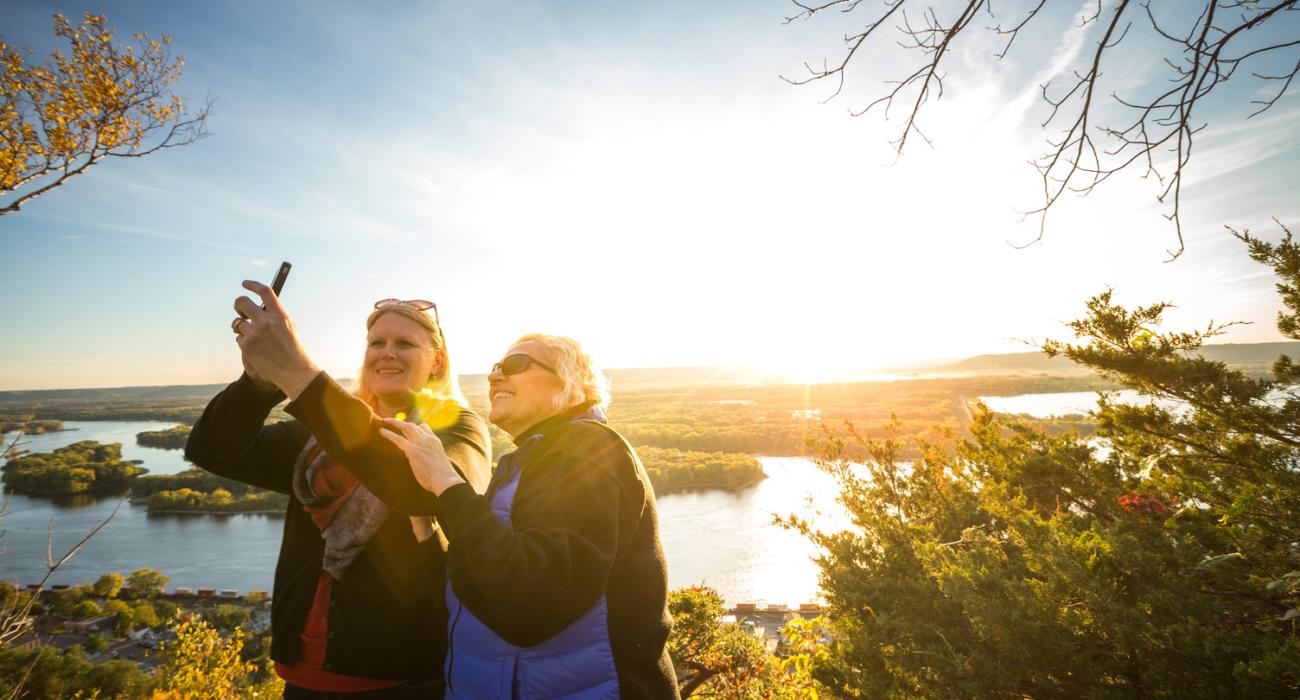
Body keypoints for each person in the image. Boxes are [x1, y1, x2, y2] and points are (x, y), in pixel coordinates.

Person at [234, 281, 680, 699]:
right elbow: (485, 582)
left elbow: (530, 605)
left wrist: (445, 486)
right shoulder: (527, 463)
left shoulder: (588, 450)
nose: (494, 376)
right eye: (494, 367)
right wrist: (433, 536)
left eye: (515, 365)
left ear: (572, 383)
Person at [186, 288, 490, 698]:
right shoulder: (317, 436)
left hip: (404, 679)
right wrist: (259, 381)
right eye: (376, 343)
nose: (387, 352)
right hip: (303, 674)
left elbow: (424, 490)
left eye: (405, 343)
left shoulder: (457, 429)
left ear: (437, 361)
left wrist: (297, 373)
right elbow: (213, 449)